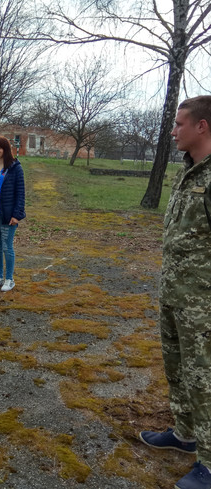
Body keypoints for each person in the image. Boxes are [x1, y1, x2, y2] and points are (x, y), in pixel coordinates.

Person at [138, 96, 211, 489]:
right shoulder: (188, 171)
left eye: (179, 124)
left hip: (203, 302)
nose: (172, 131)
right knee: (178, 369)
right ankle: (185, 435)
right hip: (175, 293)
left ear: (202, 126)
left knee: (205, 377)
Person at [0, 136, 25, 292]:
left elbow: (20, 193)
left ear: (6, 149)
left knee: (6, 247)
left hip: (7, 215)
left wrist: (17, 215)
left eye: (0, 147)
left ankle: (9, 279)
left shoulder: (15, 168)